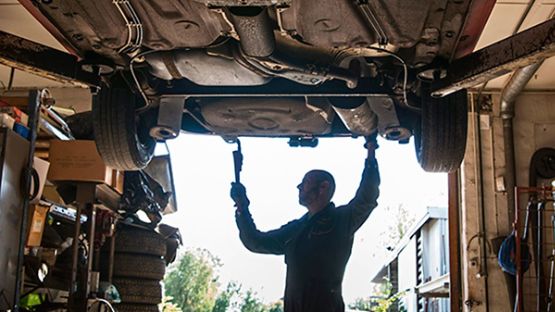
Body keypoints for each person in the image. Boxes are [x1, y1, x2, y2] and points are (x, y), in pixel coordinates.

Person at [230, 135, 380, 312]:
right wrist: (242, 207)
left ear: (323, 187)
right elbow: (255, 241)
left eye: (306, 182)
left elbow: (367, 197)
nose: (299, 187)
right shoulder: (295, 230)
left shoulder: (341, 220)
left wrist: (371, 150)